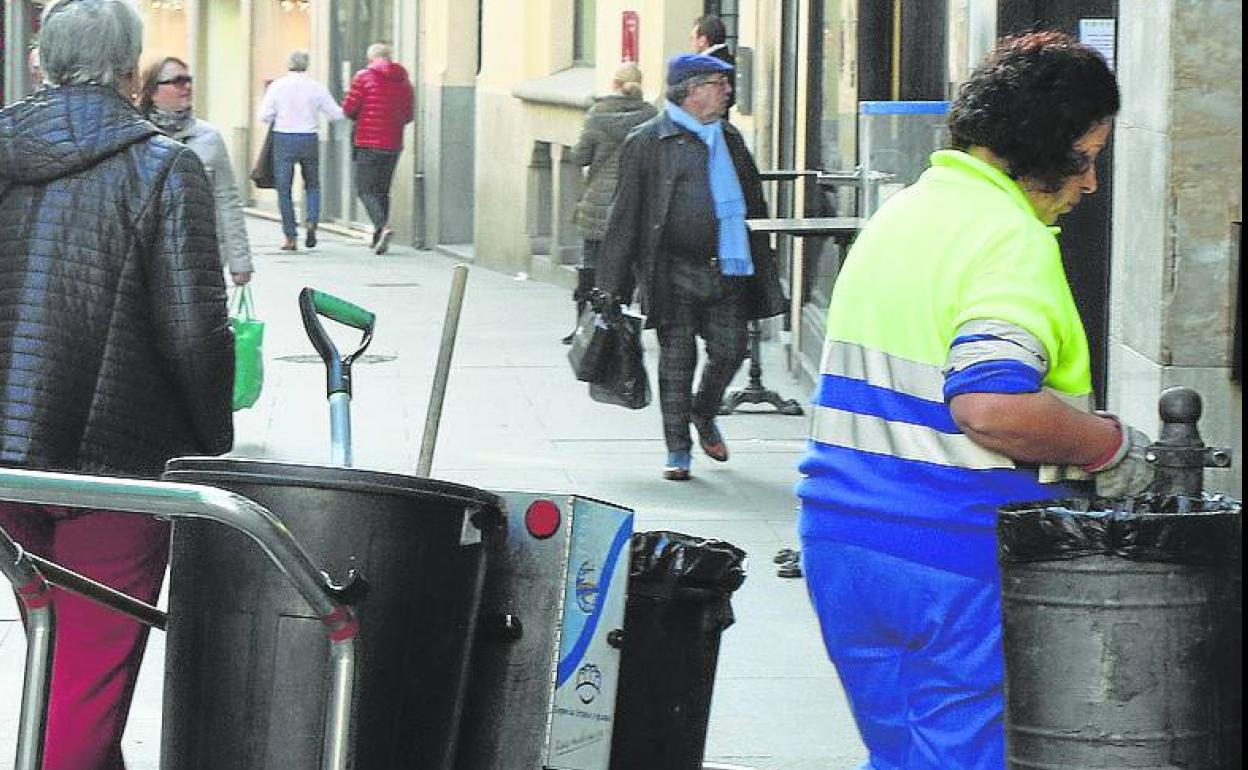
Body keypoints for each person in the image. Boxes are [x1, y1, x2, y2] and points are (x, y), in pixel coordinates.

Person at [796, 31, 1154, 770]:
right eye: (1087, 157)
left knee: (900, 756)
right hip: (950, 558)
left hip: (843, 543)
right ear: (1043, 145)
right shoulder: (1009, 238)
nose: (1090, 184)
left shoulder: (903, 214)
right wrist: (1107, 445)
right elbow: (990, 405)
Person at [0, 1, 235, 769]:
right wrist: (211, 441)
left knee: (53, 646)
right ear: (133, 71)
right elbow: (195, 332)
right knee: (87, 674)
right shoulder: (165, 165)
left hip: (10, 455)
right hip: (116, 463)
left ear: (42, 62)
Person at [596, 54, 785, 481]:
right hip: (671, 271)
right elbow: (624, 215)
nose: (727, 91)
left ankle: (703, 410)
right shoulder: (647, 141)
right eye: (718, 83)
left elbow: (753, 203)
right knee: (677, 361)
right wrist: (611, 285)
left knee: (732, 350)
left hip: (729, 266)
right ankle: (677, 448)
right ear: (691, 89)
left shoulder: (730, 138)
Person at [562, 63, 657, 344]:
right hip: (633, 202)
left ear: (614, 84)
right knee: (627, 267)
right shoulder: (651, 115)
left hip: (597, 202)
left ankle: (585, 329)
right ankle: (624, 329)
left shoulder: (597, 114)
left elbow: (581, 156)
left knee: (590, 264)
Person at [139, 55, 254, 286]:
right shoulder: (137, 136)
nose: (187, 87)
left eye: (189, 80)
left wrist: (240, 261)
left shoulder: (209, 138)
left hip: (200, 258)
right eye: (178, 81)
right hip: (146, 258)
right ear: (153, 91)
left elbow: (227, 199)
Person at [258, 49, 344, 251]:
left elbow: (264, 115)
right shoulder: (316, 87)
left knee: (284, 188)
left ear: (288, 64)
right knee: (312, 184)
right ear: (307, 65)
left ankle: (290, 236)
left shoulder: (278, 86)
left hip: (284, 138)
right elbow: (335, 114)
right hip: (309, 138)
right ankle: (312, 220)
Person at [342, 42, 414, 255]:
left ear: (371, 58)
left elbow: (349, 108)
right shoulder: (404, 80)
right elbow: (408, 114)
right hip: (393, 143)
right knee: (382, 190)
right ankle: (378, 235)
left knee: (364, 189)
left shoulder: (363, 77)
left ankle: (382, 226)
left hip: (368, 142)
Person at [691, 15, 735, 111]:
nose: (691, 42)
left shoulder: (703, 67)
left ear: (703, 40)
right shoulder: (732, 61)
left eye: (693, 38)